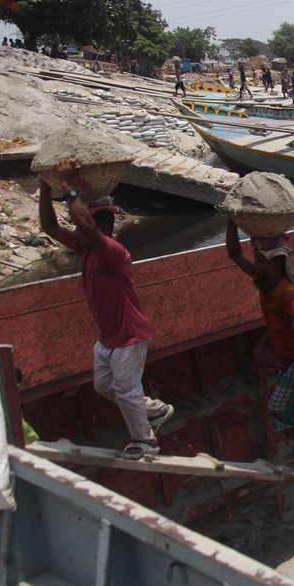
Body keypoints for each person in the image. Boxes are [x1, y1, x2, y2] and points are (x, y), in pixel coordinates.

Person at [39, 160, 174, 458]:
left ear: (101, 228)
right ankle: (153, 410)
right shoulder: (85, 248)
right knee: (104, 386)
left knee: (125, 390)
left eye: (85, 224)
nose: (78, 228)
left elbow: (85, 225)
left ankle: (145, 442)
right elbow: (49, 226)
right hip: (108, 339)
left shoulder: (114, 252)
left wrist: (68, 186)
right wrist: (45, 187)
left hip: (129, 335)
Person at [225, 220, 294, 468]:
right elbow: (234, 254)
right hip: (292, 358)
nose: (256, 266)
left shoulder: (287, 293)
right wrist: (232, 220)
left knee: (278, 406)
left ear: (274, 262)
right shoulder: (265, 281)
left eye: (260, 260)